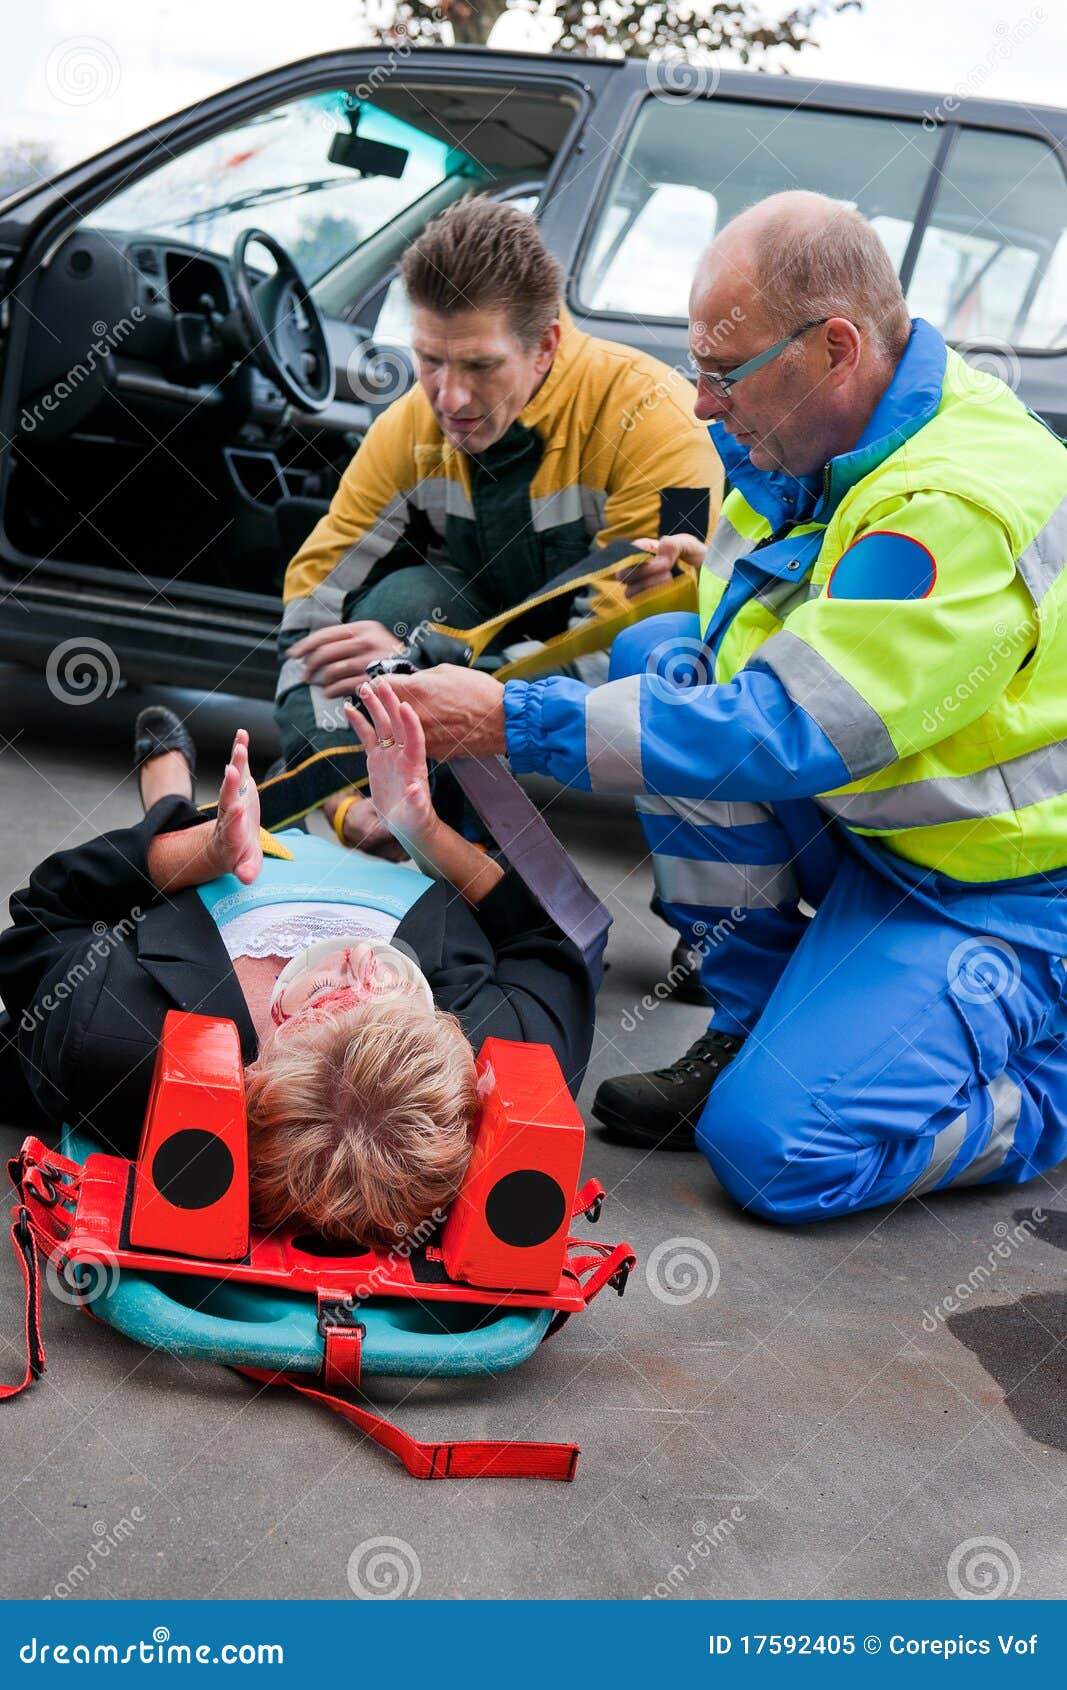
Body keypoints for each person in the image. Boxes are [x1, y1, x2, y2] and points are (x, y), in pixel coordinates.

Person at [379, 189, 1067, 1223]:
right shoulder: (838, 433)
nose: (700, 403)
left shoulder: (947, 510)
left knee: (776, 1153)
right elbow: (777, 632)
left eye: (721, 373)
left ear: (833, 347)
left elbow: (787, 725)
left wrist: (514, 721)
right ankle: (753, 1019)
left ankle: (1041, 1088)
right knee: (665, 657)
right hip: (879, 835)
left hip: (995, 895)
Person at [0, 697, 599, 1249]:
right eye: (390, 995)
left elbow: (44, 916)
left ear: (275, 1029)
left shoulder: (117, 1041)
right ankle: (355, 818)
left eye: (337, 992)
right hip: (391, 864)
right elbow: (544, 938)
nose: (364, 956)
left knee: (181, 820)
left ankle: (170, 799)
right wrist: (425, 830)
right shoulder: (508, 1060)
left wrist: (199, 850)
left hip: (221, 867)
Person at [275, 194, 722, 854]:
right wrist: (330, 784)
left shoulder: (665, 424)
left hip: (603, 670)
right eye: (429, 359)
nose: (448, 398)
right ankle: (412, 826)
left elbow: (633, 638)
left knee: (665, 640)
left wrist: (421, 675)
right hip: (474, 636)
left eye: (480, 366)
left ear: (544, 346)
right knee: (398, 604)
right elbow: (315, 599)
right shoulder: (406, 427)